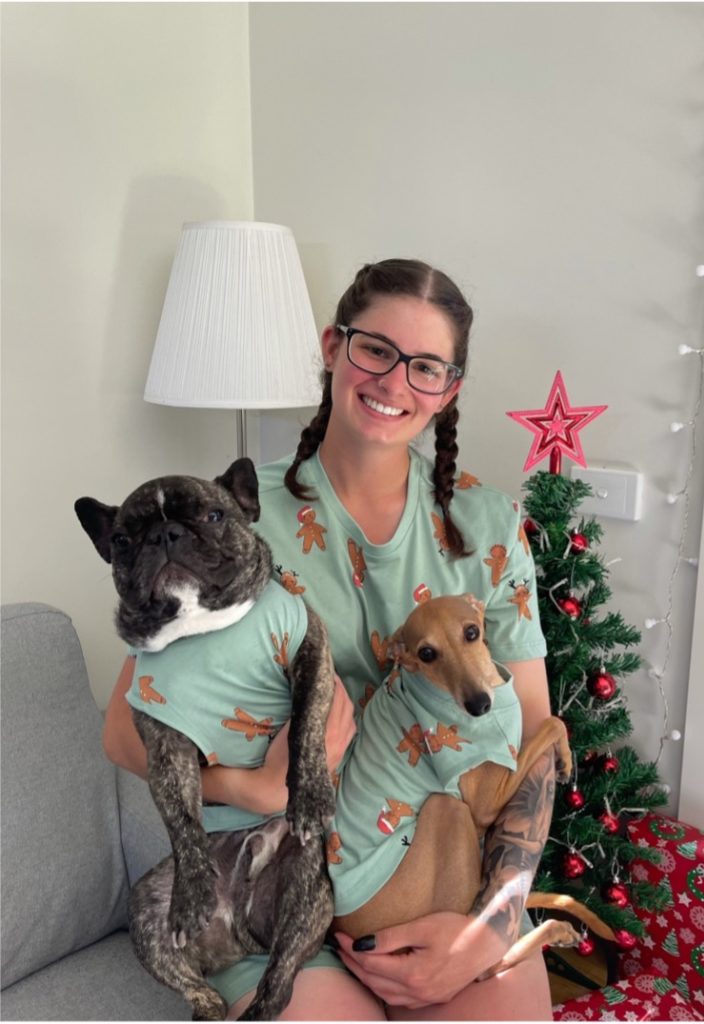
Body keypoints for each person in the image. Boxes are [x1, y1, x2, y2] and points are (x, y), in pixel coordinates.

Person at [103, 258, 557, 1021]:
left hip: (442, 882)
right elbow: (124, 731)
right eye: (375, 350)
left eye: (425, 367)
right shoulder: (232, 521)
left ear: (449, 389)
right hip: (273, 893)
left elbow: (532, 739)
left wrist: (493, 924)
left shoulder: (489, 527)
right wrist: (250, 788)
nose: (393, 382)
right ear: (333, 347)